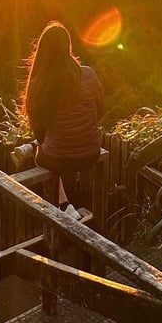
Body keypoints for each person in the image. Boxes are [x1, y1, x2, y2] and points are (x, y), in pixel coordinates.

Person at [21, 21, 104, 219]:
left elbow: (40, 133)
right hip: (91, 151)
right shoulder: (88, 74)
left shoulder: (38, 84)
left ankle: (64, 206)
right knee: (56, 152)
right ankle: (69, 205)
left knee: (43, 153)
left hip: (58, 157)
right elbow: (100, 111)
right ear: (68, 46)